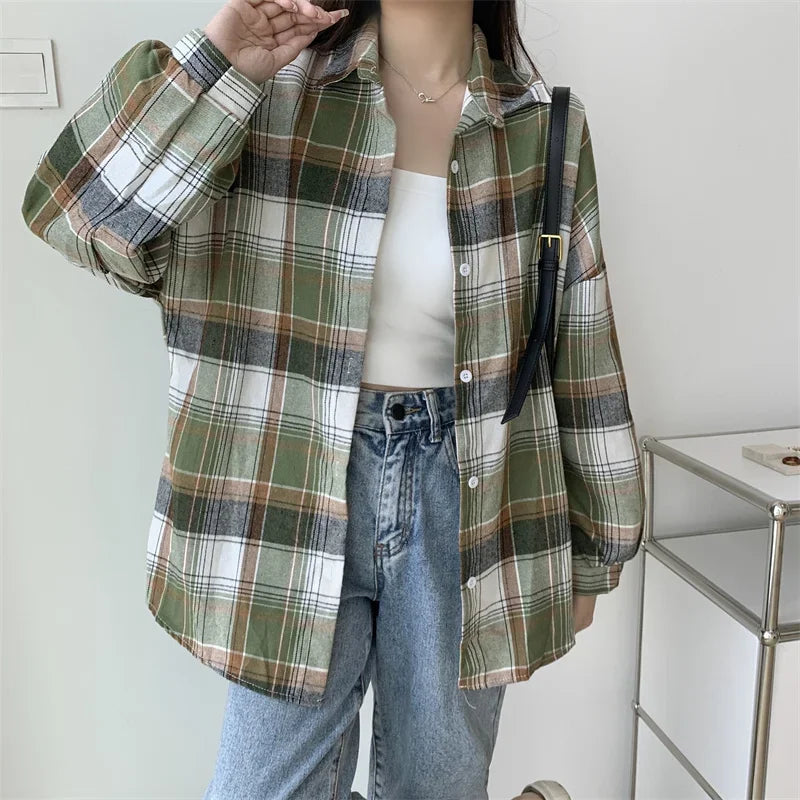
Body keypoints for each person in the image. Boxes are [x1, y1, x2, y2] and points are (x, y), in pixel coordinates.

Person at [20, 0, 645, 797]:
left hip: (474, 502)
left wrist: (597, 549)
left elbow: (579, 348)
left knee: (438, 786)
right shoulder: (265, 90)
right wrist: (222, 64)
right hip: (287, 485)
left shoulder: (541, 126)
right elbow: (78, 220)